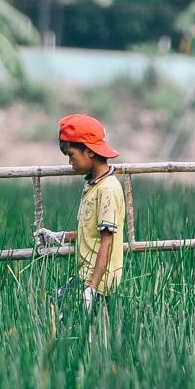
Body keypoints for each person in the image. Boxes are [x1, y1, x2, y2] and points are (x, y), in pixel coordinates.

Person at [34, 113, 124, 308]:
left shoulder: (107, 189)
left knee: (60, 313)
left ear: (89, 151)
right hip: (86, 274)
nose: (69, 163)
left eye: (71, 155)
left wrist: (91, 288)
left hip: (98, 280)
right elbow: (92, 233)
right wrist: (60, 237)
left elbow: (107, 242)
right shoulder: (92, 185)